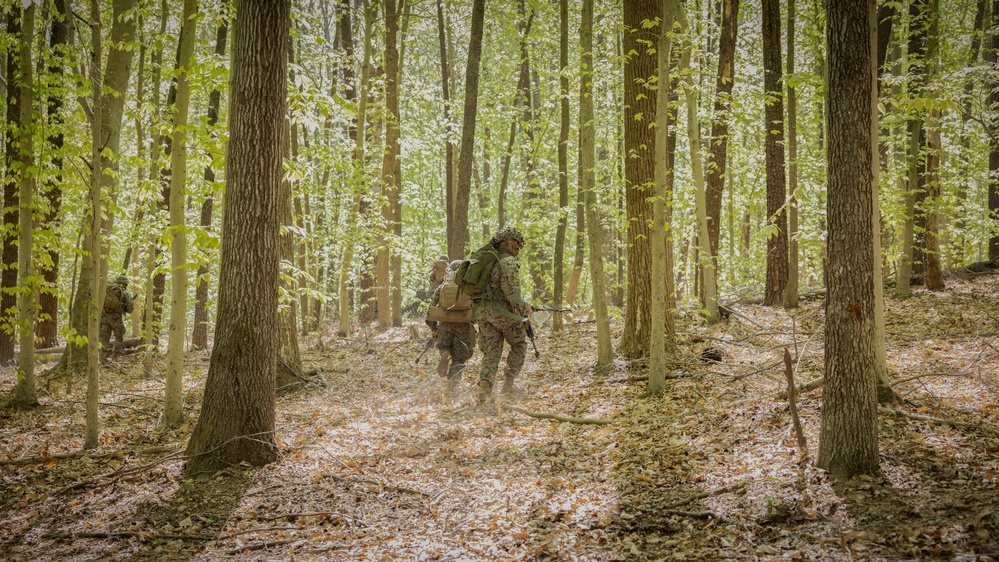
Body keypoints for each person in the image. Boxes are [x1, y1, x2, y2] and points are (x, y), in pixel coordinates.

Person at [474, 227, 532, 408]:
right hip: (503, 313)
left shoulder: (487, 261)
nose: (517, 246)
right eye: (513, 241)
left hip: (484, 314)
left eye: (518, 243)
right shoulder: (507, 262)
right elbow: (512, 295)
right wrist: (525, 309)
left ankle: (484, 391)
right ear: (502, 242)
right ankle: (508, 386)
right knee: (519, 344)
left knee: (492, 352)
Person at [425, 260, 477, 402]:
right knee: (460, 358)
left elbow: (430, 310)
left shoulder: (442, 287)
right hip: (464, 327)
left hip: (445, 325)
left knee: (444, 345)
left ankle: (445, 353)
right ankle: (453, 387)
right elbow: (478, 309)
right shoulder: (469, 288)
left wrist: (433, 329)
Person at [100, 275, 135, 351]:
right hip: (116, 317)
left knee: (103, 338)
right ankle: (116, 354)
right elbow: (130, 309)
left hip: (103, 316)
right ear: (125, 284)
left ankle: (100, 356)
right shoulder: (124, 292)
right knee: (119, 336)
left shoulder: (106, 289)